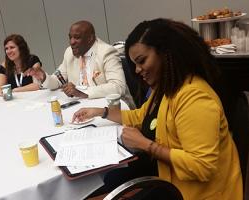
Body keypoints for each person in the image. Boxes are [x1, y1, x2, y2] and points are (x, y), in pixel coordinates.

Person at [72, 18, 242, 200]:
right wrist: (101, 112)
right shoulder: (165, 89)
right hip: (170, 183)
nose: (137, 70)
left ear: (165, 53)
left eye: (142, 61)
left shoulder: (195, 98)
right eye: (134, 64)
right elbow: (142, 116)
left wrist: (145, 145)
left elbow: (201, 166)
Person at [26, 20, 135, 109]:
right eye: (70, 37)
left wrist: (83, 92)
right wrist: (43, 76)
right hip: (83, 106)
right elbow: (58, 80)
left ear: (90, 39)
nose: (71, 42)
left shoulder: (106, 52)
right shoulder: (69, 52)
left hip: (113, 107)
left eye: (77, 37)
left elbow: (118, 87)